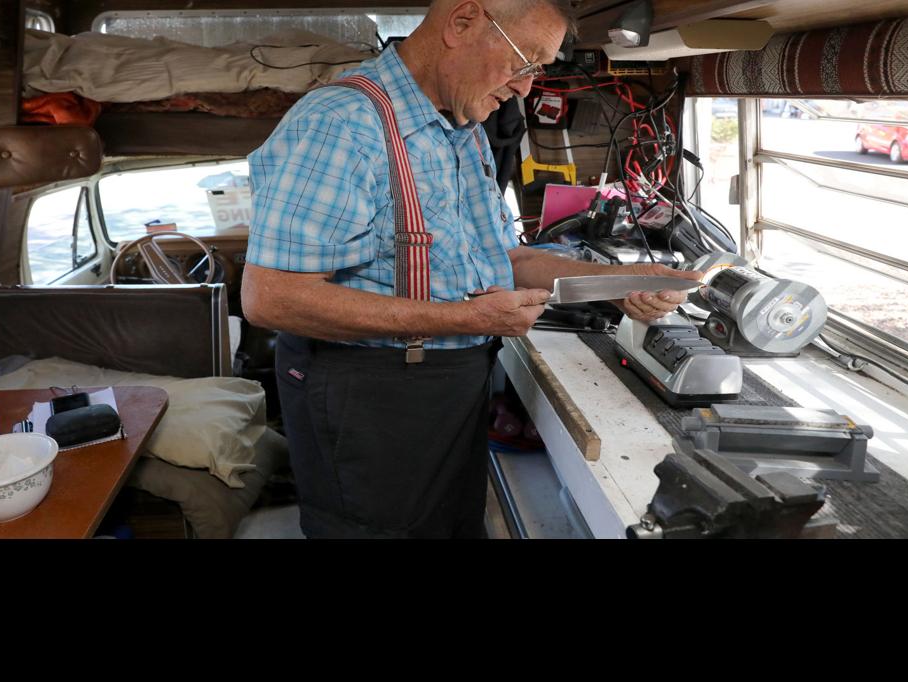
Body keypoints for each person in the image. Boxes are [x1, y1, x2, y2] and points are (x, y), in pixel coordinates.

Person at [242, 0, 702, 538]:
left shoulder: (462, 127)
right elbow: (271, 298)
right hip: (369, 397)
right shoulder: (341, 123)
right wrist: (466, 319)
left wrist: (616, 284)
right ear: (462, 23)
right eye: (525, 60)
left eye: (540, 69)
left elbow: (502, 257)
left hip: (449, 385)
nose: (528, 87)